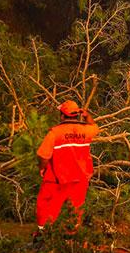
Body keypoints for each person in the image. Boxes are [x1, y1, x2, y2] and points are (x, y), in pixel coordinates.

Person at [35, 100, 99, 234]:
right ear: (77, 115)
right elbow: (95, 127)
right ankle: (72, 239)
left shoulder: (55, 133)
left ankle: (43, 236)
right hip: (80, 178)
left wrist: (42, 168)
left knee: (46, 206)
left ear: (62, 116)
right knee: (75, 210)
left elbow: (43, 155)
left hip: (57, 179)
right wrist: (87, 116)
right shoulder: (86, 131)